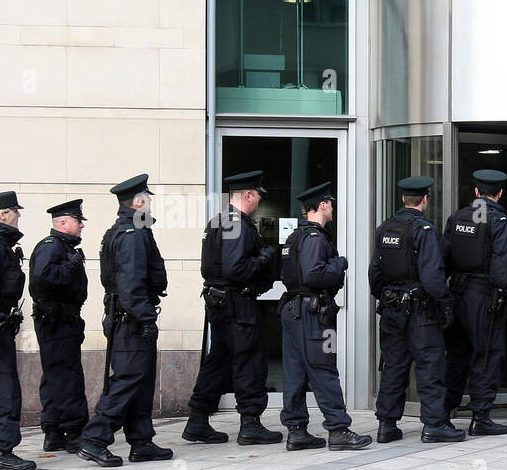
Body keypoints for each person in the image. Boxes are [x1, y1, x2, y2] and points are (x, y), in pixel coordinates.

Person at [78, 174, 173, 467]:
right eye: (148, 198)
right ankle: (95, 439)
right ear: (138, 201)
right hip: (132, 318)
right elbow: (131, 284)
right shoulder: (132, 234)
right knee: (128, 379)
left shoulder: (126, 229)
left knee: (140, 381)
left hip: (128, 316)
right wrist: (145, 318)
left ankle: (141, 440)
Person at [183, 170, 282, 446]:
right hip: (238, 305)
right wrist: (264, 257)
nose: (259, 202)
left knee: (219, 362)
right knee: (248, 362)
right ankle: (250, 424)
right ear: (248, 194)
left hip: (222, 304)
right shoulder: (237, 223)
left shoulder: (219, 221)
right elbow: (236, 268)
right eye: (258, 196)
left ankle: (197, 420)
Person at [369, 175, 464, 444]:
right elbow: (432, 276)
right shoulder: (423, 230)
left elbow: (374, 271)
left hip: (391, 309)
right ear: (425, 199)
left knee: (393, 365)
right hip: (420, 310)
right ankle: (434, 424)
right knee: (430, 365)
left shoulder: (385, 228)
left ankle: (386, 424)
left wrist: (386, 296)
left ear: (403, 199)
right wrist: (445, 304)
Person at [279, 182, 371, 451]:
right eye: (330, 203)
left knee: (294, 371)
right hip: (312, 313)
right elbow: (315, 274)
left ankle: (296, 431)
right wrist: (339, 263)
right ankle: (338, 428)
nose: (332, 207)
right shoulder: (315, 238)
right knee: (324, 368)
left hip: (294, 310)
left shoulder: (295, 236)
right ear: (322, 205)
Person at [441, 169, 507, 436]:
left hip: (457, 294)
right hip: (484, 297)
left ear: (475, 192)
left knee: (457, 356)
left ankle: (443, 414)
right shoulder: (499, 220)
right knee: (485, 355)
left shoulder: (457, 217)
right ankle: (481, 417)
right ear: (499, 193)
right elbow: (502, 269)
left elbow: (443, 261)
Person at [29, 199, 90, 454]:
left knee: (57, 374)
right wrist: (71, 265)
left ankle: (53, 430)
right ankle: (74, 431)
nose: (82, 227)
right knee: (66, 376)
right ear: (63, 223)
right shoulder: (51, 247)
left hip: (64, 318)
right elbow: (44, 281)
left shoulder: (62, 247)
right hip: (56, 320)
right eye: (78, 222)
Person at [0, 191, 35, 470]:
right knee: (3, 390)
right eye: (15, 210)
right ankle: (3, 451)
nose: (18, 215)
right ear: (3, 215)